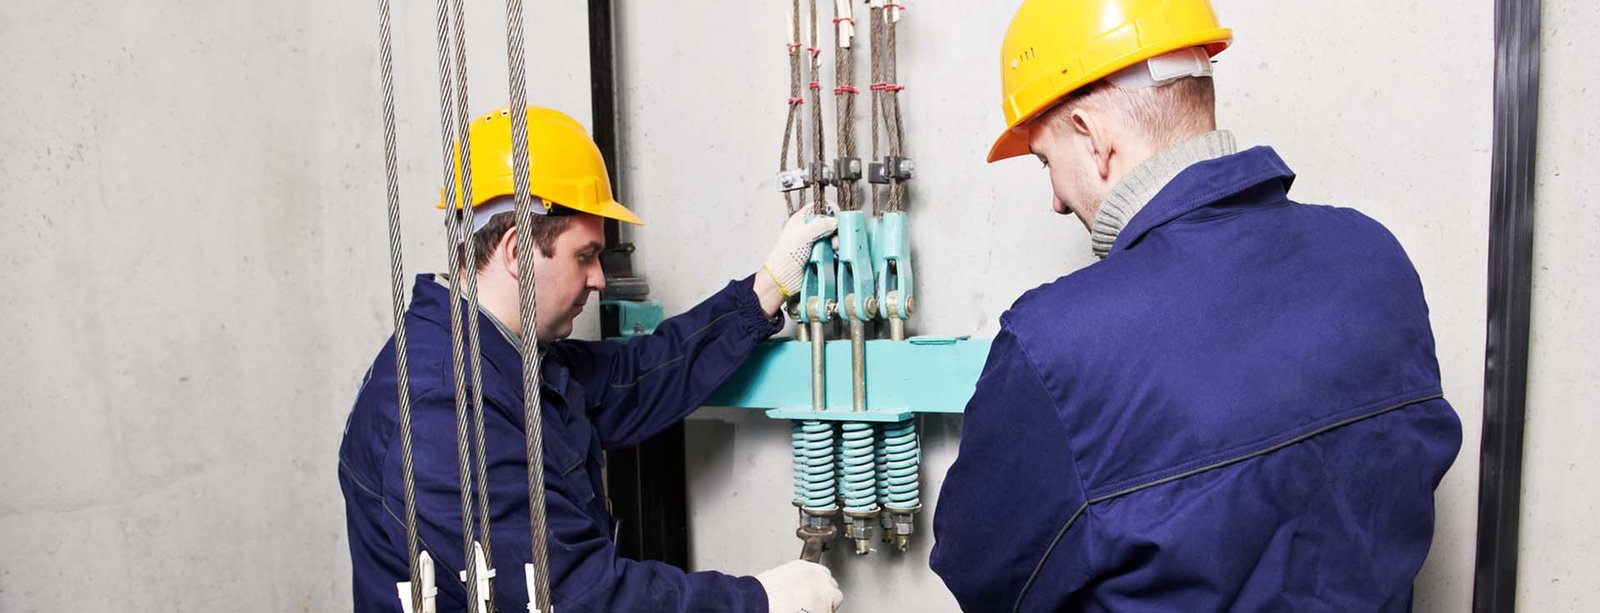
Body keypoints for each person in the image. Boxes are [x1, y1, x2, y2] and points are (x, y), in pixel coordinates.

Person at [930, 1, 1463, 610]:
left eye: (1046, 161)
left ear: (1091, 136)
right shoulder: (1374, 256)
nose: (1054, 200)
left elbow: (981, 570)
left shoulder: (1053, 346)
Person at [339, 106, 844, 612]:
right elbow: (581, 597)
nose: (600, 278)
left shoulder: (506, 359)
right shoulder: (442, 409)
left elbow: (636, 377)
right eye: (585, 255)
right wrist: (759, 601)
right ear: (517, 252)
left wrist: (767, 288)